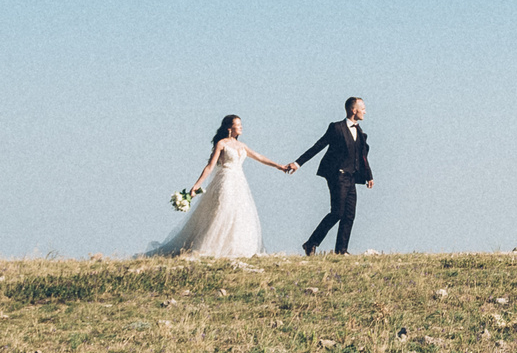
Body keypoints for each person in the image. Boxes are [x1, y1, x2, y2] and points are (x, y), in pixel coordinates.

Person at [155, 116, 295, 259]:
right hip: (225, 180)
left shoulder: (242, 146)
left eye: (241, 125)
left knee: (240, 213)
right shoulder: (221, 144)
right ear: (229, 128)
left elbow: (259, 157)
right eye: (238, 125)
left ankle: (235, 247)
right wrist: (196, 185)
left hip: (240, 182)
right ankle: (210, 246)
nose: (241, 127)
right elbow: (210, 166)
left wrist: (279, 166)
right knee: (223, 210)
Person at [295, 95, 375, 255]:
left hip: (352, 177)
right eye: (363, 108)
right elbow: (318, 146)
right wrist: (298, 163)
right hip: (337, 175)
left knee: (349, 214)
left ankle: (341, 250)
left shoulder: (360, 132)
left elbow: (363, 156)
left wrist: (369, 176)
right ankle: (311, 243)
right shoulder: (336, 128)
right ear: (354, 110)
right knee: (337, 212)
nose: (365, 112)